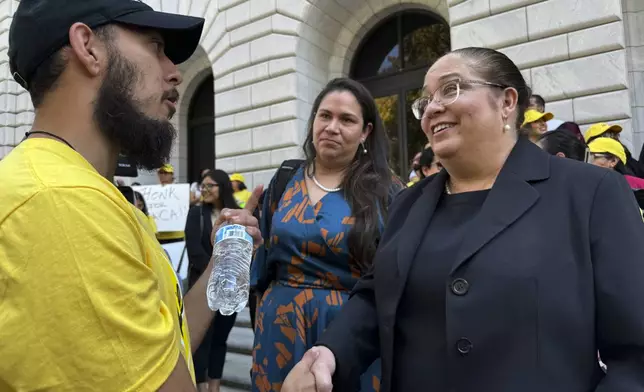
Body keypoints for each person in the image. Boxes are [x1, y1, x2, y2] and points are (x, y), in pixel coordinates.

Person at [284, 47, 644, 392]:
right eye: (424, 102)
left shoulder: (591, 193)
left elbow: (634, 356)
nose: (432, 109)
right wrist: (329, 353)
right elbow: (375, 298)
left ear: (506, 102)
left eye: (450, 89)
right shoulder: (409, 203)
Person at [0, 0, 261, 389]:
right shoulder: (63, 204)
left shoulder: (86, 194)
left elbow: (159, 351)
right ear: (88, 48)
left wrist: (226, 261)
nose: (175, 73)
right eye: (156, 47)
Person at [251, 78, 403, 392]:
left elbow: (394, 278)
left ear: (365, 132)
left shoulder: (387, 192)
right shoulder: (284, 179)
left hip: (349, 336)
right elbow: (262, 264)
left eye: (346, 119)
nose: (332, 127)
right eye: (325, 116)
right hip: (278, 330)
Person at [185, 169, 241, 392]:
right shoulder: (196, 214)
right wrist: (221, 271)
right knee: (202, 341)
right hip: (204, 288)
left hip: (231, 288)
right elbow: (195, 252)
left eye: (210, 186)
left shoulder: (236, 214)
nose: (205, 190)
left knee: (220, 340)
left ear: (223, 187)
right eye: (203, 186)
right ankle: (201, 386)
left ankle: (215, 387)